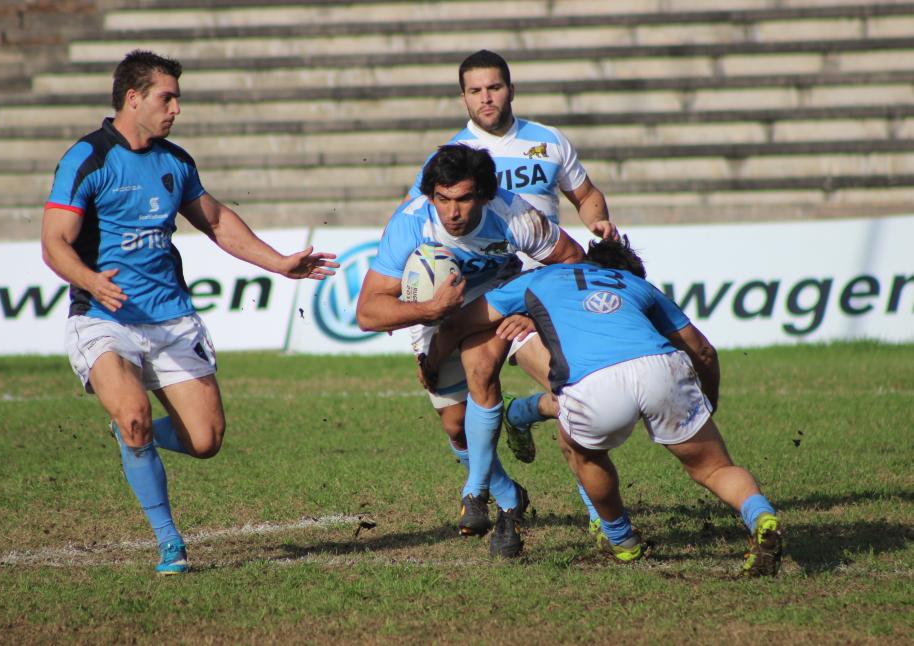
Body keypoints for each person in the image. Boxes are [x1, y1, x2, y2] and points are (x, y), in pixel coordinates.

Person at [40, 50, 339, 575]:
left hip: (172, 318)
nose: (176, 108)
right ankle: (169, 541)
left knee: (206, 440)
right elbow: (54, 243)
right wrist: (90, 280)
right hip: (104, 317)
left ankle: (130, 434)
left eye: (177, 98)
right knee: (135, 415)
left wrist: (279, 263)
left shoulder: (175, 161)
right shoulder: (87, 158)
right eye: (167, 98)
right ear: (133, 98)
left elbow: (217, 220)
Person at [420, 237, 782, 576]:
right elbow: (702, 350)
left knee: (582, 453)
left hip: (593, 382)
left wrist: (431, 366)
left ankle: (622, 541)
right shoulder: (637, 286)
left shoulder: (542, 278)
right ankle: (761, 517)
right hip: (661, 368)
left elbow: (457, 326)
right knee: (715, 468)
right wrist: (708, 402)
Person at [408, 48, 617, 522]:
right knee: (457, 420)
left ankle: (598, 514)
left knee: (574, 396)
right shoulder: (452, 158)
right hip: (481, 292)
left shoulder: (548, 141)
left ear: (511, 89)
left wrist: (597, 222)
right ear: (463, 97)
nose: (486, 98)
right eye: (475, 90)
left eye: (494, 87)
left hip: (545, 287)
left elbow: (586, 194)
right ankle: (505, 493)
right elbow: (423, 220)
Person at [356, 144, 585, 557]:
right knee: (455, 426)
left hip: (502, 299)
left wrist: (532, 314)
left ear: (483, 195)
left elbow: (573, 260)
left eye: (463, 199)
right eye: (442, 199)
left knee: (488, 369)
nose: (453, 212)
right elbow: (367, 313)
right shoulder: (410, 224)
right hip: (436, 309)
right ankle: (510, 495)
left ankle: (478, 493)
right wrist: (429, 310)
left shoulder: (513, 214)